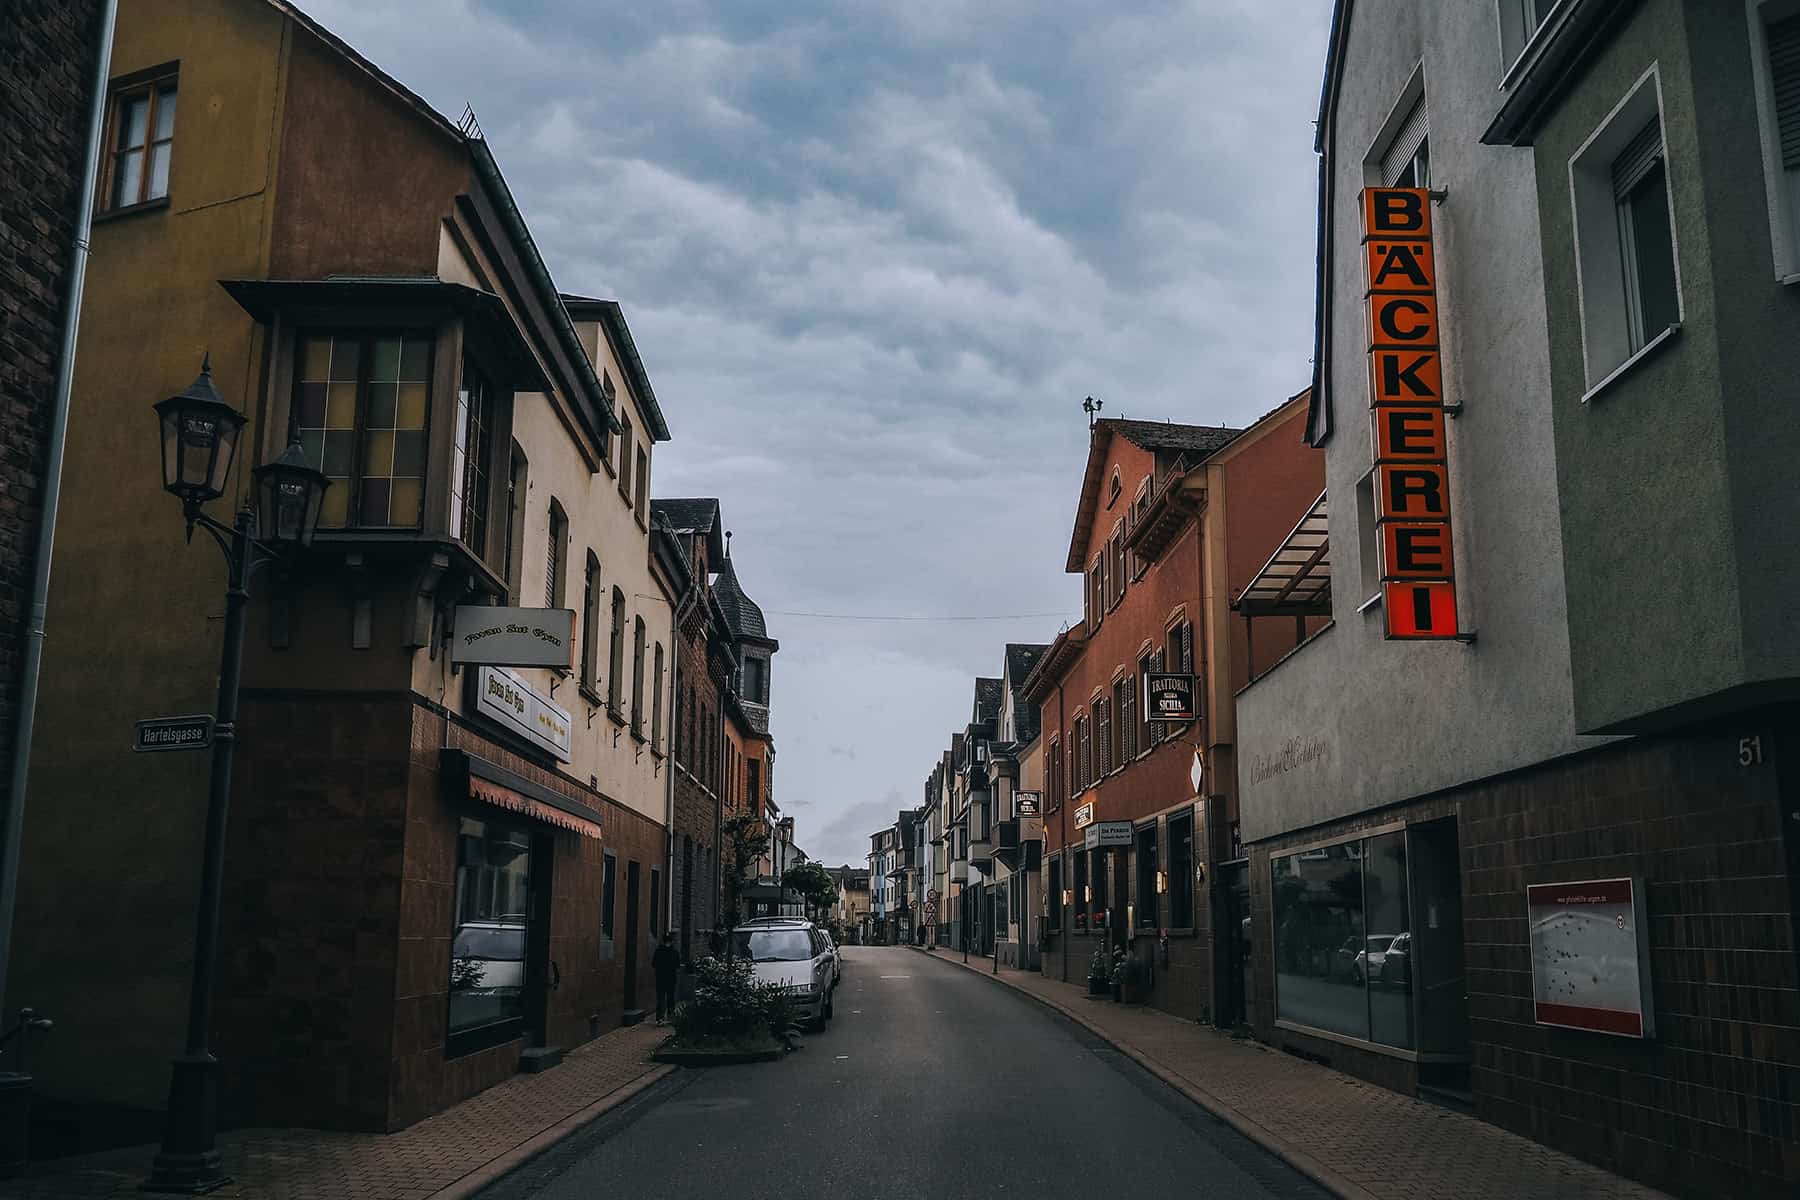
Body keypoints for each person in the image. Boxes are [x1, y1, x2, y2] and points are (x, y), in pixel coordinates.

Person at [651, 932, 680, 1024]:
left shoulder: (658, 951)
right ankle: (671, 1017)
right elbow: (677, 965)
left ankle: (660, 1018)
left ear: (663, 941)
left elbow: (653, 964)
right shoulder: (675, 952)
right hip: (671, 978)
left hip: (660, 978)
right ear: (672, 941)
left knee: (660, 998)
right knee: (670, 998)